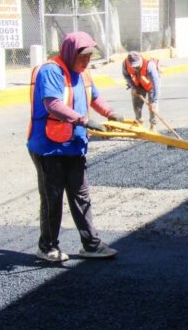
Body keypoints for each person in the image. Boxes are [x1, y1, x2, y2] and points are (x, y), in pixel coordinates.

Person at [27, 31, 120, 263]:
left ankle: (91, 245)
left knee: (81, 196)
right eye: (83, 57)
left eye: (90, 57)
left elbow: (95, 98)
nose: (87, 61)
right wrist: (83, 120)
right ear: (70, 53)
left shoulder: (84, 74)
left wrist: (111, 114)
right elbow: (53, 104)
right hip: (49, 148)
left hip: (74, 146)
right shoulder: (52, 71)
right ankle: (47, 247)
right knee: (53, 197)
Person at [121, 51, 161, 131]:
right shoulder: (125, 63)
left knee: (153, 107)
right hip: (137, 85)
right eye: (133, 66)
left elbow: (156, 85)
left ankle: (153, 125)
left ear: (140, 59)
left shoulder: (149, 65)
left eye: (137, 65)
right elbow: (127, 76)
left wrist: (154, 101)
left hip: (151, 85)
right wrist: (133, 87)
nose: (135, 68)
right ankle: (139, 123)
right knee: (137, 106)